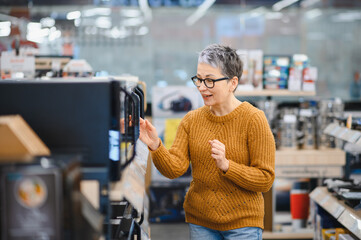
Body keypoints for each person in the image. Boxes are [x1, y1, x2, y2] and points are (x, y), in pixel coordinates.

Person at [140, 44, 275, 240]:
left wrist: (227, 166)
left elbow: (265, 179)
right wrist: (155, 146)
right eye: (199, 79)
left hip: (243, 224)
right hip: (201, 222)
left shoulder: (254, 119)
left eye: (210, 81)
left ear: (232, 83)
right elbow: (174, 169)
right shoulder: (191, 120)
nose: (202, 87)